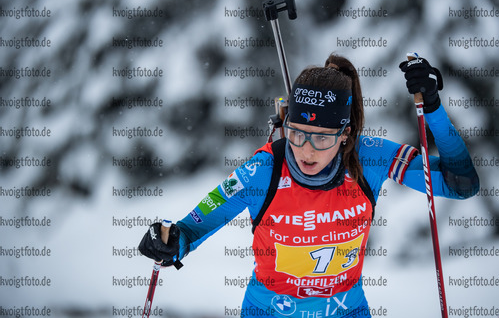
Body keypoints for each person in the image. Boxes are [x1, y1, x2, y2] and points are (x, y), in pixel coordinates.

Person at [138, 53, 479, 317]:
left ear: (345, 135)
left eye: (320, 138)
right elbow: (190, 229)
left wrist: (432, 107)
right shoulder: (264, 168)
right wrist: (167, 241)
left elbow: (461, 183)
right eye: (298, 134)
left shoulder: (370, 158)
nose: (305, 150)